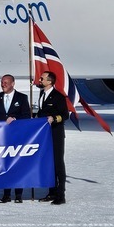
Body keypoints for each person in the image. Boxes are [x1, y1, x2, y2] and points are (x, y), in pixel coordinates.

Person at [0, 74, 32, 203]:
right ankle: (6, 194)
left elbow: (26, 116)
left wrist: (15, 119)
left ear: (13, 84)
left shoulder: (22, 97)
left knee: (17, 164)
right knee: (5, 164)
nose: (3, 85)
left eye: (6, 82)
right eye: (2, 82)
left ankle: (18, 194)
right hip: (2, 138)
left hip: (17, 137)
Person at [36, 70, 68, 205]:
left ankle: (60, 195)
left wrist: (54, 118)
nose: (40, 80)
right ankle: (52, 191)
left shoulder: (58, 96)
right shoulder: (42, 93)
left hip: (56, 134)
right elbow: (42, 112)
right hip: (45, 135)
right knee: (48, 164)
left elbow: (65, 115)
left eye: (42, 78)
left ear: (49, 81)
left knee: (58, 164)